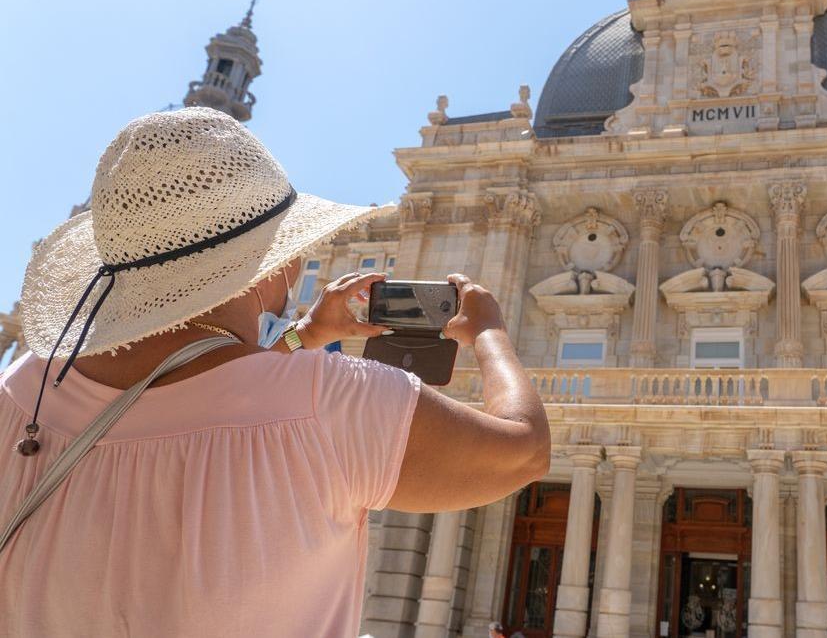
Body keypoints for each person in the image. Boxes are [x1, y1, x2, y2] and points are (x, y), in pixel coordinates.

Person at [0, 107, 549, 637]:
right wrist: (488, 334)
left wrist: (302, 339)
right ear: (276, 263)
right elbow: (523, 450)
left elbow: (201, 395)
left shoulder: (19, 392)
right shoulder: (336, 404)